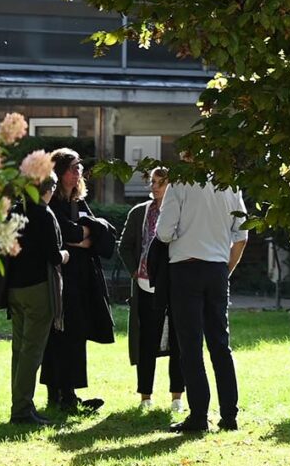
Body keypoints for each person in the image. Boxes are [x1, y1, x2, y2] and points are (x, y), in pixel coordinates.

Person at [153, 173, 248, 436]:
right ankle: (229, 414)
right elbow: (241, 236)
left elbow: (163, 233)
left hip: (186, 269)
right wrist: (225, 269)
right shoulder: (230, 185)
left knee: (190, 346)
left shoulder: (180, 184)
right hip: (217, 268)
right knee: (220, 344)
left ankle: (198, 415)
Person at [39, 149, 115, 414]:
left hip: (81, 279)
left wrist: (86, 233)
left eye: (79, 167)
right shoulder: (53, 203)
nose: (78, 172)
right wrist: (87, 232)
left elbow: (101, 236)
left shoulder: (77, 201)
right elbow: (64, 235)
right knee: (58, 335)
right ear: (59, 172)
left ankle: (69, 393)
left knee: (76, 335)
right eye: (72, 167)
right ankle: (56, 395)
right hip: (61, 278)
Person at [0, 161, 62, 426]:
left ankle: (20, 405)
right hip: (38, 289)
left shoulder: (14, 213)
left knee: (19, 350)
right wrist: (66, 255)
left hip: (14, 288)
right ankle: (22, 409)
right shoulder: (44, 215)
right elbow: (53, 254)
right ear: (49, 188)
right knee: (32, 352)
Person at [115, 165, 183, 414]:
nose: (154, 187)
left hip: (174, 286)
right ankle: (145, 396)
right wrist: (135, 270)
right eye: (152, 183)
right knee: (146, 342)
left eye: (160, 182)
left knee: (179, 341)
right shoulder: (139, 212)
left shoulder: (182, 211)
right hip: (144, 285)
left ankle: (177, 397)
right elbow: (125, 246)